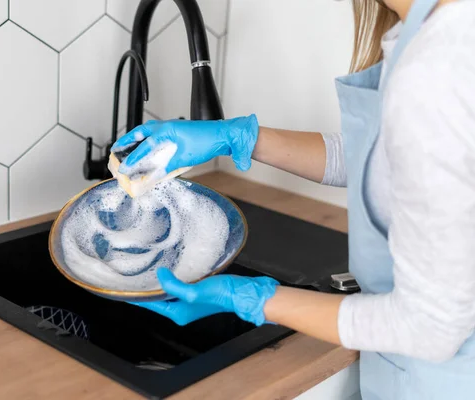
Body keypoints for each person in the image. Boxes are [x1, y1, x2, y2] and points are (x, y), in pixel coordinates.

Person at [112, 0, 475, 398]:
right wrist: (238, 137)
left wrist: (256, 300)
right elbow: (385, 160)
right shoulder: (435, 32)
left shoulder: (437, 66)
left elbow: (430, 329)